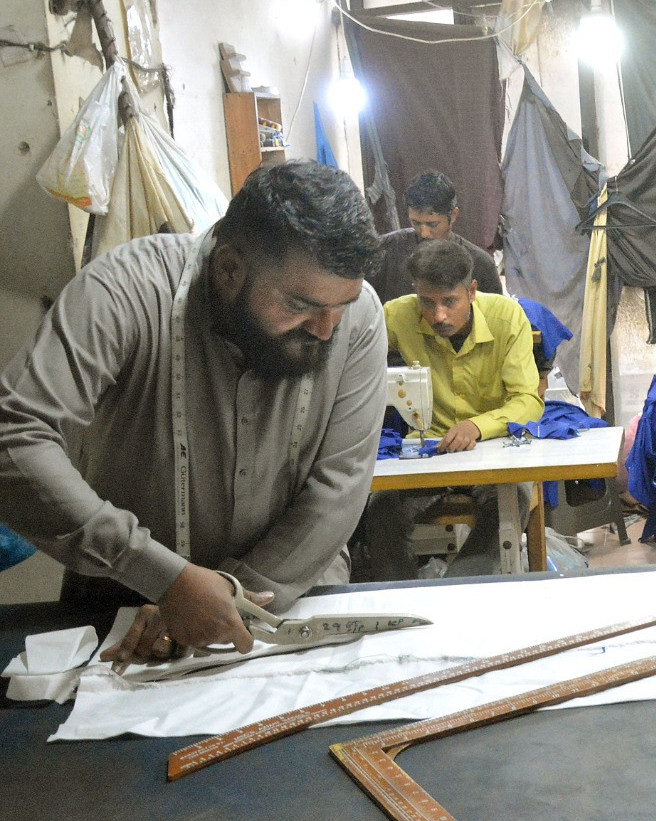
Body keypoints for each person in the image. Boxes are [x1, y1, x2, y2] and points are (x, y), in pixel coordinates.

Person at [0, 160, 386, 666]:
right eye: (301, 306)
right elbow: (15, 438)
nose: (326, 330)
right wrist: (162, 576)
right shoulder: (127, 291)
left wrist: (230, 597)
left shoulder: (356, 318)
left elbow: (339, 486)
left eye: (343, 305)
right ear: (229, 270)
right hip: (122, 616)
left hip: (285, 609)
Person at [365, 239, 544, 580]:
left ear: (472, 291)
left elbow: (528, 401)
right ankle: (403, 603)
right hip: (432, 450)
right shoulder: (397, 315)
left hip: (495, 450)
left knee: (508, 507)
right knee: (380, 510)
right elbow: (355, 357)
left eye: (449, 301)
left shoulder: (507, 318)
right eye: (427, 303)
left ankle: (457, 591)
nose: (438, 315)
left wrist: (477, 426)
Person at [370, 170, 503, 303]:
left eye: (432, 224)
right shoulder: (386, 251)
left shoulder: (481, 264)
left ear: (454, 215)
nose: (424, 233)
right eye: (415, 222)